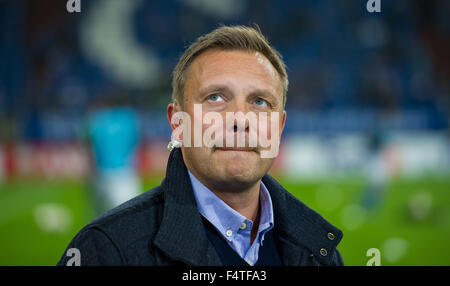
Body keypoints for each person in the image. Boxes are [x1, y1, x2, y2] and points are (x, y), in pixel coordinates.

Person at [57, 25, 344, 266]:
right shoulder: (106, 251)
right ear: (178, 123)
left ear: (279, 128)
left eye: (260, 102)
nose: (240, 120)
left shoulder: (319, 251)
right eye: (216, 98)